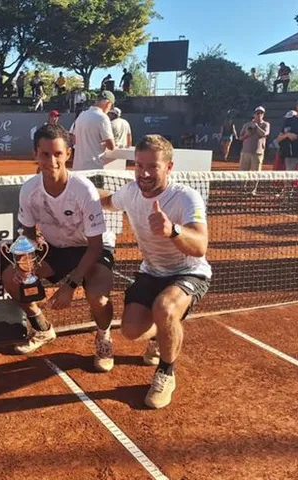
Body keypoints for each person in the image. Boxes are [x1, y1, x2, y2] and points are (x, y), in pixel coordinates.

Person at [100, 134, 211, 408]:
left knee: (165, 309)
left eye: (153, 166)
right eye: (139, 165)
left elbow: (199, 245)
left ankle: (166, 372)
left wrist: (172, 230)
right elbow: (107, 201)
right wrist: (77, 194)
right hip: (152, 271)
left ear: (169, 167)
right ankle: (163, 335)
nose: (145, 173)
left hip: (189, 272)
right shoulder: (130, 192)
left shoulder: (186, 197)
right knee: (130, 332)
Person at [5, 124, 116, 372]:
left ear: (68, 154)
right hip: (57, 248)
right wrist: (27, 262)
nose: (51, 160)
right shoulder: (29, 190)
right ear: (35, 154)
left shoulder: (83, 189)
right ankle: (42, 328)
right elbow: (29, 233)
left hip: (92, 249)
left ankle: (104, 337)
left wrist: (70, 285)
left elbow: (95, 245)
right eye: (45, 154)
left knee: (97, 297)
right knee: (12, 278)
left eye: (57, 154)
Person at [70, 90, 116, 170]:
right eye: (111, 106)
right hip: (93, 168)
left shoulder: (82, 115)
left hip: (77, 168)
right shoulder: (103, 117)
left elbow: (72, 138)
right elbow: (111, 146)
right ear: (108, 104)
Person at [238, 106, 270, 184]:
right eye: (257, 113)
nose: (259, 115)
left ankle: (252, 190)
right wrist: (247, 135)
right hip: (245, 152)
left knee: (255, 173)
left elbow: (264, 134)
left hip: (258, 153)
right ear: (254, 114)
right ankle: (242, 189)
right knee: (243, 173)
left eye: (261, 113)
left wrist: (256, 126)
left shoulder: (266, 124)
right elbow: (240, 138)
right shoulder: (247, 124)